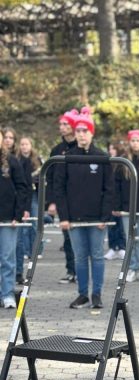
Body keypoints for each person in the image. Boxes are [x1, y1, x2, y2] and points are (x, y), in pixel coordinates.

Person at [54, 107, 114, 309]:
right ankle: (82, 294)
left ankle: (96, 294)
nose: (81, 135)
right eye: (78, 131)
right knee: (80, 256)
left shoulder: (102, 156)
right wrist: (64, 216)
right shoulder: (67, 157)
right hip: (74, 218)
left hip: (97, 218)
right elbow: (59, 189)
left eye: (84, 131)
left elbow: (109, 189)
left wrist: (105, 216)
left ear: (91, 133)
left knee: (97, 255)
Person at [114, 130, 139, 283]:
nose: (135, 143)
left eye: (138, 140)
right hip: (126, 206)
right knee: (130, 239)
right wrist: (116, 205)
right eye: (133, 140)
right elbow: (116, 184)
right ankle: (131, 268)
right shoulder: (123, 161)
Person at [47, 109, 79, 285]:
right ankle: (71, 270)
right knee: (67, 238)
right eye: (61, 124)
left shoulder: (82, 148)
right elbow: (51, 178)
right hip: (63, 200)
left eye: (66, 124)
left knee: (81, 239)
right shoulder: (56, 150)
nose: (62, 127)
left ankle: (81, 271)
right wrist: (51, 201)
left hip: (81, 201)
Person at [0, 130, 29, 309]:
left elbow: (22, 188)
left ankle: (8, 293)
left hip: (8, 219)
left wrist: (17, 215)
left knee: (7, 258)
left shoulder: (12, 161)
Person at [15, 136, 43, 285]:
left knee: (34, 225)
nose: (24, 146)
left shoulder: (36, 160)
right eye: (22, 144)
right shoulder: (16, 159)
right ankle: (18, 269)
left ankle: (36, 249)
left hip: (33, 194)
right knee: (21, 233)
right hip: (20, 195)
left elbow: (42, 178)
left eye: (27, 144)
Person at [104, 142, 126, 261]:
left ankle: (122, 247)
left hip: (121, 200)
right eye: (110, 148)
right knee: (111, 225)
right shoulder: (108, 163)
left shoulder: (122, 164)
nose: (111, 151)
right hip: (110, 199)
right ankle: (112, 248)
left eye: (113, 148)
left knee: (121, 226)